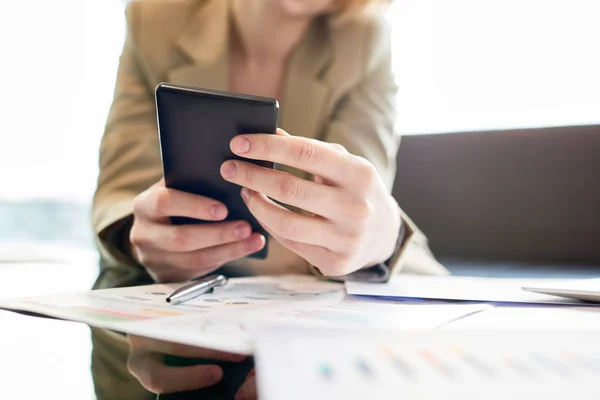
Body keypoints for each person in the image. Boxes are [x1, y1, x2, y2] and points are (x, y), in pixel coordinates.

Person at [91, 0, 448, 398]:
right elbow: (122, 194)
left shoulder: (365, 39)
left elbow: (360, 203)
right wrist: (142, 234)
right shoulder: (154, 17)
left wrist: (376, 241)